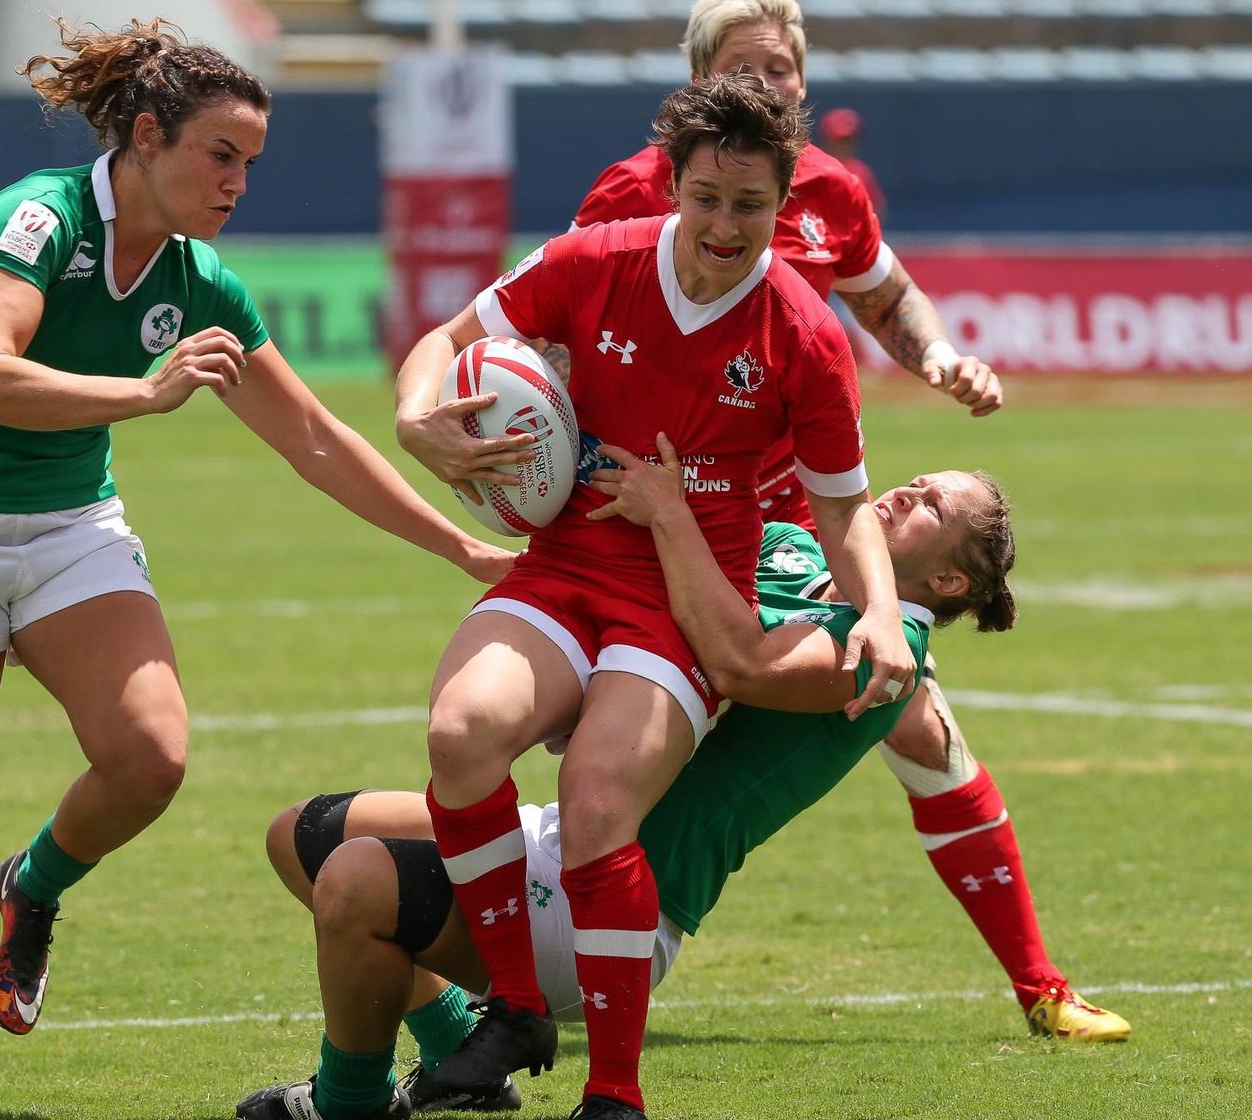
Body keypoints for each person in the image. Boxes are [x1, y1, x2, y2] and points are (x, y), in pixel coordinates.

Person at [0, 20, 514, 1120]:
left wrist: (459, 544)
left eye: (251, 162)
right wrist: (143, 393)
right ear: (147, 138)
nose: (239, 182)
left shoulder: (200, 280)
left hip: (67, 520)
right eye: (221, 155)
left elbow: (314, 439)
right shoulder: (35, 218)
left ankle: (38, 885)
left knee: (151, 756)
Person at [570, 0, 1127, 1044]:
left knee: (913, 715)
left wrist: (941, 358)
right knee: (632, 710)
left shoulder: (828, 190)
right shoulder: (634, 192)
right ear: (698, 85)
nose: (770, 86)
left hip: (808, 512)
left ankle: (1041, 985)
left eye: (781, 70)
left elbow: (888, 298)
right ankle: (548, 935)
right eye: (746, 69)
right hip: (675, 505)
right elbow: (574, 326)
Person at [391, 75, 916, 1120]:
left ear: (781, 204)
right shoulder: (594, 260)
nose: (726, 225)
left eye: (750, 204)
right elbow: (443, 343)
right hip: (562, 568)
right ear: (673, 185)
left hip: (680, 604)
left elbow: (845, 509)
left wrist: (882, 611)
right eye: (708, 197)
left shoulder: (805, 335)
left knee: (596, 805)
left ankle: (615, 1095)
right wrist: (416, 419)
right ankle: (517, 1006)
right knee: (459, 735)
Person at [237, 448, 1034, 1120]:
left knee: (353, 885)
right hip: (565, 826)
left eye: (933, 506)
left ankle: (348, 1099)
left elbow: (735, 664)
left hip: (616, 905)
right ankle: (455, 1043)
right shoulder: (792, 550)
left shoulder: (887, 662)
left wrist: (674, 515)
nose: (905, 491)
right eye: (918, 480)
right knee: (302, 836)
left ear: (953, 583)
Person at [818, 107, 885, 221]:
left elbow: (876, 211)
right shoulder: (814, 169)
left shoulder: (861, 173)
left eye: (849, 140)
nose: (844, 146)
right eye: (839, 141)